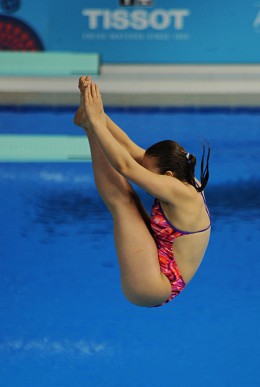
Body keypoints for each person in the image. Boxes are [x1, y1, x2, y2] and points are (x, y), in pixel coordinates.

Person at [74, 76, 211, 307]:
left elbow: (125, 166)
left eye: (148, 172)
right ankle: (89, 125)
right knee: (127, 198)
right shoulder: (182, 175)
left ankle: (90, 128)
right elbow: (128, 147)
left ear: (168, 176)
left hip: (156, 285)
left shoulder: (178, 190)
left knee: (123, 201)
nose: (144, 175)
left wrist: (97, 123)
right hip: (159, 258)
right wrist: (98, 113)